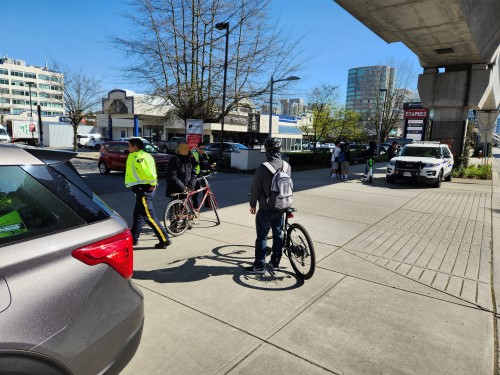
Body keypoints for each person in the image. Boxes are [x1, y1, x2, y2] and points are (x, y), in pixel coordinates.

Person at [248, 138, 291, 274]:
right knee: (278, 235)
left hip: (266, 208)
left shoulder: (263, 167)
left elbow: (255, 188)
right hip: (281, 206)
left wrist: (252, 204)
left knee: (262, 236)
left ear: (267, 151)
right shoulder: (287, 166)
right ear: (279, 150)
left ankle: (260, 266)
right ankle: (275, 262)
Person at [125, 138, 171, 249]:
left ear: (135, 147)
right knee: (138, 215)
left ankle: (164, 239)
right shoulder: (145, 155)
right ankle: (133, 239)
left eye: (129, 146)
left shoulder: (138, 157)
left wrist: (152, 184)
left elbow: (149, 173)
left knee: (149, 216)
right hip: (143, 189)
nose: (128, 148)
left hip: (144, 190)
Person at [191, 142, 215, 209]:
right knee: (196, 191)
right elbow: (192, 165)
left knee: (206, 190)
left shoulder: (205, 154)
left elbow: (208, 164)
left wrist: (210, 172)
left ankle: (208, 204)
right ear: (198, 147)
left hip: (205, 175)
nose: (202, 150)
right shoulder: (194, 154)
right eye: (201, 148)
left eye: (204, 148)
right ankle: (195, 206)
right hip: (197, 176)